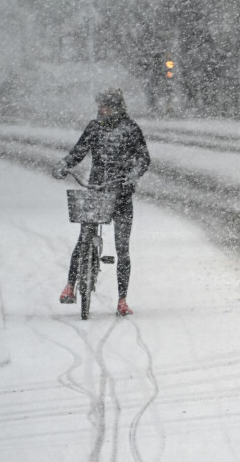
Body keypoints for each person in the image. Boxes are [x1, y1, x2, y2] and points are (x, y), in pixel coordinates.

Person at [51, 88, 150, 316]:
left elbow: (143, 158)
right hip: (96, 190)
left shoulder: (130, 129)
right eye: (99, 105)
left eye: (104, 106)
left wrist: (132, 175)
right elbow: (78, 152)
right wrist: (64, 164)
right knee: (84, 237)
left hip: (121, 193)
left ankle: (122, 299)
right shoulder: (94, 128)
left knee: (122, 247)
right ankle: (70, 286)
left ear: (116, 108)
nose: (100, 109)